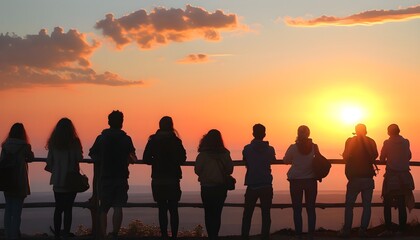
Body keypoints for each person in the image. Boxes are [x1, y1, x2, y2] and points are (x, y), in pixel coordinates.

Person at [89, 111, 137, 239]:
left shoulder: (101, 138)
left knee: (103, 208)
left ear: (109, 122)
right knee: (118, 206)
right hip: (121, 176)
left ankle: (103, 234)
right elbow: (133, 157)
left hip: (105, 176)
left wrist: (100, 160)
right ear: (121, 122)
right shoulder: (126, 139)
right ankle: (115, 233)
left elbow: (92, 154)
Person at [143, 116, 186, 239]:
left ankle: (164, 235)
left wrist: (156, 161)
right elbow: (183, 158)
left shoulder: (153, 141)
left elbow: (146, 158)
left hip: (158, 180)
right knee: (173, 209)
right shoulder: (176, 141)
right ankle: (174, 236)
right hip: (173, 179)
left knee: (162, 209)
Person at [45, 118, 83, 239]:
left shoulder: (54, 142)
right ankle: (66, 232)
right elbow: (79, 157)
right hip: (71, 180)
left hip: (57, 180)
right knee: (68, 209)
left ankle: (57, 234)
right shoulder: (74, 141)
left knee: (58, 208)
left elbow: (49, 161)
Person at [339, 123, 378, 238]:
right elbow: (375, 155)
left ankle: (347, 230)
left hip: (354, 177)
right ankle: (363, 229)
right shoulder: (371, 141)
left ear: (355, 131)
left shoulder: (350, 141)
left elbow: (345, 156)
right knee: (367, 206)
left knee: (349, 205)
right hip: (368, 177)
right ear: (366, 131)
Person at [195, 129, 233, 240]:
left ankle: (211, 235)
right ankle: (215, 235)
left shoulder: (203, 154)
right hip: (221, 188)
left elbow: (197, 170)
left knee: (208, 213)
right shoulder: (225, 153)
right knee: (217, 213)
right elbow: (230, 169)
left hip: (206, 187)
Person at [283, 125, 321, 237]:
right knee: (311, 209)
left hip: (296, 181)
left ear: (298, 133)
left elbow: (286, 160)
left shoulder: (293, 147)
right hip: (311, 181)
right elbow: (319, 160)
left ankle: (298, 234)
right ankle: (311, 234)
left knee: (297, 209)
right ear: (309, 134)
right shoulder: (314, 147)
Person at [241, 124, 275, 240]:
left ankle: (245, 236)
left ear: (253, 134)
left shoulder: (247, 149)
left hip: (252, 184)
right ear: (264, 134)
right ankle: (265, 236)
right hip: (266, 183)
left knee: (247, 213)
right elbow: (273, 159)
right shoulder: (270, 150)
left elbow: (245, 160)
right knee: (266, 213)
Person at [379, 124, 414, 236]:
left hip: (391, 177)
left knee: (387, 203)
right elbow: (409, 156)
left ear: (389, 132)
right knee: (401, 203)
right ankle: (401, 229)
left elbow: (382, 158)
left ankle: (388, 229)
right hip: (404, 177)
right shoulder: (406, 142)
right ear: (399, 131)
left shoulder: (387, 143)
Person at [0, 123, 34, 239]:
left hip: (8, 180)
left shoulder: (5, 146)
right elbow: (31, 158)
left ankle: (8, 234)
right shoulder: (25, 146)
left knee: (8, 209)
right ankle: (14, 235)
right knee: (17, 212)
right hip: (20, 180)